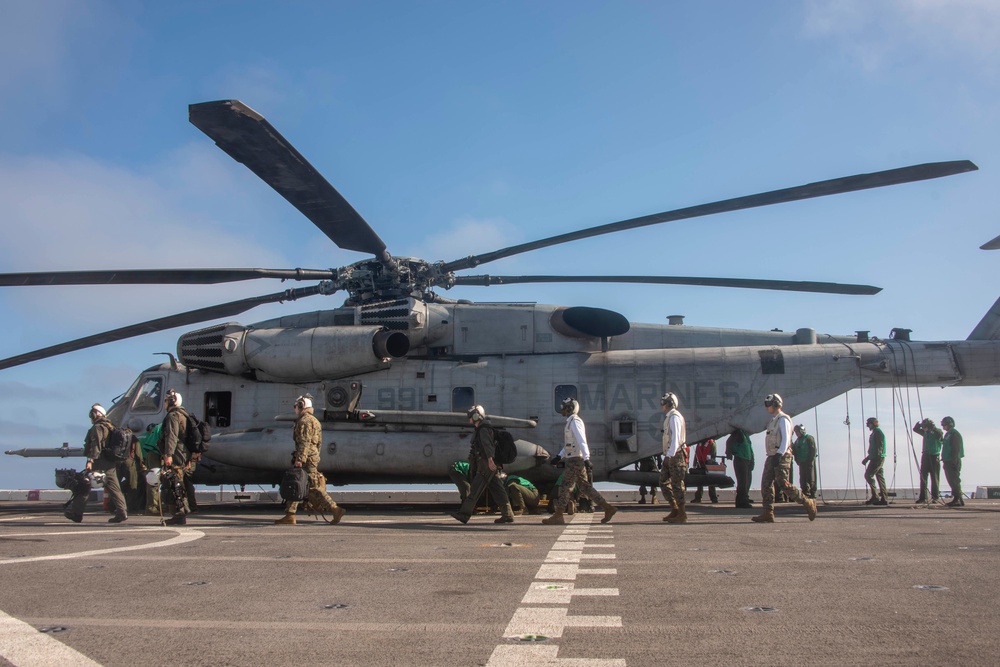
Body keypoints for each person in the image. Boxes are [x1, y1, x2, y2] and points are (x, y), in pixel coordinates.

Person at [542, 398, 617, 525]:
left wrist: (587, 458)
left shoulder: (575, 422)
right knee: (585, 488)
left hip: (576, 461)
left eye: (564, 407)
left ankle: (558, 515)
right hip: (575, 459)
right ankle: (607, 508)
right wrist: (559, 456)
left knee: (565, 486)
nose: (562, 410)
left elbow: (582, 441)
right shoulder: (570, 422)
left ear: (570, 408)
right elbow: (571, 445)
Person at [275, 396, 346, 525]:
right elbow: (319, 443)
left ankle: (335, 509)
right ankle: (290, 514)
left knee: (310, 485)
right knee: (298, 484)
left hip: (306, 458)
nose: (295, 409)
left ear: (302, 406)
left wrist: (300, 459)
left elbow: (304, 442)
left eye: (296, 406)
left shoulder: (305, 421)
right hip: (311, 457)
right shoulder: (314, 421)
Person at [752, 394, 817, 523]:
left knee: (783, 484)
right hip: (772, 455)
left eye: (769, 405)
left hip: (781, 456)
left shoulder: (783, 420)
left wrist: (779, 454)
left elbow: (786, 439)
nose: (767, 407)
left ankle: (808, 502)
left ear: (776, 404)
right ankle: (768, 512)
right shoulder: (773, 421)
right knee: (766, 483)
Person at [451, 405, 515, 524]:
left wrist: (490, 460)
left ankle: (464, 515)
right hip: (489, 465)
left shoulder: (483, 429)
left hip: (486, 465)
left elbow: (487, 445)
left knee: (475, 490)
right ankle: (508, 515)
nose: (469, 418)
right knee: (498, 491)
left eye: (471, 416)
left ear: (476, 416)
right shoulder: (483, 428)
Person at [65, 403, 128, 523]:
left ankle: (76, 513)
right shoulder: (110, 426)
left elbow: (96, 445)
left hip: (99, 463)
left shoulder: (98, 428)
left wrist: (90, 460)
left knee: (84, 485)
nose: (91, 417)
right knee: (114, 489)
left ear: (96, 415)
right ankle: (122, 512)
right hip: (110, 463)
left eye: (92, 415)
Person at [159, 389, 193, 525]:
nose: (164, 403)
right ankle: (181, 513)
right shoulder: (183, 415)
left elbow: (171, 436)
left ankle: (179, 514)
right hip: (182, 453)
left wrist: (168, 454)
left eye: (166, 401)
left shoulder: (173, 416)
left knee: (174, 484)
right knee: (178, 483)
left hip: (176, 454)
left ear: (171, 401)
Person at [658, 392, 689, 523]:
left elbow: (676, 439)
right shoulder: (669, 417)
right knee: (663, 481)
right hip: (670, 455)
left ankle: (682, 514)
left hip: (676, 455)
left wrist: (669, 456)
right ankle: (675, 509)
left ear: (670, 404)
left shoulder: (674, 417)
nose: (662, 406)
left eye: (664, 403)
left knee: (676, 484)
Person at [912, 418, 942, 503]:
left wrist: (932, 428)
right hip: (925, 455)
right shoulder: (925, 432)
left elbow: (939, 435)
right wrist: (918, 425)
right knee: (923, 477)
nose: (923, 428)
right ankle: (923, 497)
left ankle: (935, 497)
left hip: (934, 456)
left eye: (924, 427)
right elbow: (915, 429)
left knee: (934, 478)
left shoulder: (936, 432)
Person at [861, 417, 888, 506]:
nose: (867, 425)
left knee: (868, 475)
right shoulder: (874, 433)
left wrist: (869, 458)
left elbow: (878, 448)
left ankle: (875, 497)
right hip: (876, 457)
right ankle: (884, 499)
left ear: (872, 424)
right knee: (880, 478)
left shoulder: (877, 433)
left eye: (868, 424)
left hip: (877, 458)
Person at [725, 429, 754, 508]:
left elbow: (750, 448)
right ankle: (742, 501)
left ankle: (744, 499)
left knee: (747, 481)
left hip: (747, 460)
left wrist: (752, 460)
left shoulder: (746, 434)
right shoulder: (738, 433)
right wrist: (729, 453)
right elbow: (729, 442)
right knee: (742, 482)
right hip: (740, 459)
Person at [941, 416, 965, 506]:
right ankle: (958, 498)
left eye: (944, 424)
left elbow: (956, 449)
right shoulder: (948, 434)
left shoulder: (954, 434)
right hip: (948, 460)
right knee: (952, 480)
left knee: (954, 480)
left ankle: (957, 499)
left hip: (952, 460)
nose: (943, 426)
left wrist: (954, 461)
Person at [139, 423, 162, 516]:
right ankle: (152, 507)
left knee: (153, 479)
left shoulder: (143, 436)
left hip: (151, 454)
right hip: (155, 453)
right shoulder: (167, 425)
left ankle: (154, 505)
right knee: (153, 479)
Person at [791, 424, 818, 499]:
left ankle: (813, 493)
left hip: (809, 462)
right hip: (801, 462)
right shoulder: (797, 441)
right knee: (803, 478)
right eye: (796, 432)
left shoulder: (809, 438)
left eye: (798, 432)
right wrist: (797, 459)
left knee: (811, 477)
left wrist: (810, 460)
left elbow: (813, 450)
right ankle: (805, 492)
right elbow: (795, 451)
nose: (797, 434)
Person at [690, 439, 719, 504]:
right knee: (699, 482)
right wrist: (694, 463)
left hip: (709, 464)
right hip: (700, 464)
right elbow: (696, 454)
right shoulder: (699, 443)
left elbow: (713, 455)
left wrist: (711, 463)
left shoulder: (712, 443)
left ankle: (713, 498)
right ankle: (698, 498)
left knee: (711, 483)